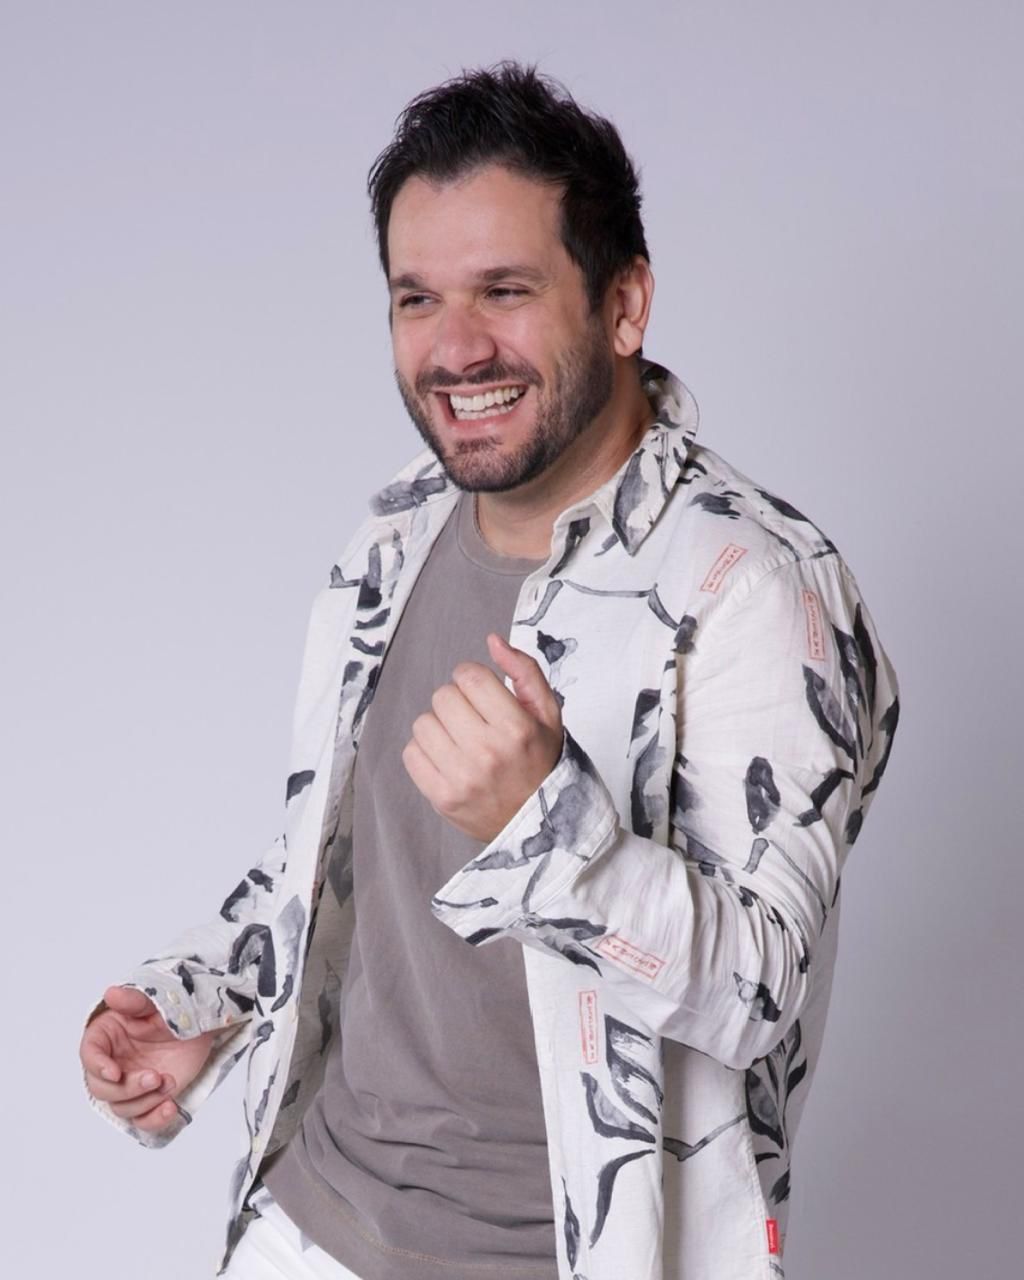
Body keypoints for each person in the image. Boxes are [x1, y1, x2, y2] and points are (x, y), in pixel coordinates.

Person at [80, 61, 900, 1280]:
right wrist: (208, 997)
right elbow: (340, 855)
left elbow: (756, 991)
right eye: (417, 299)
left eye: (505, 291)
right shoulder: (394, 537)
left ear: (624, 305)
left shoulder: (751, 585)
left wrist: (540, 826)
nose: (455, 348)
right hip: (317, 1220)